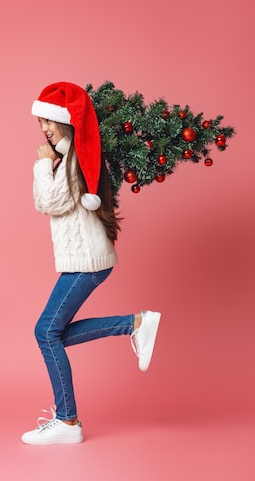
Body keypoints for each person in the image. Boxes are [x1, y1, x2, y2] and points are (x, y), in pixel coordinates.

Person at [21, 82, 161, 445]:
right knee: (52, 333)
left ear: (66, 122)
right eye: (40, 124)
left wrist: (40, 164)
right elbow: (43, 203)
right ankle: (134, 324)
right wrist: (45, 164)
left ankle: (68, 423)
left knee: (45, 332)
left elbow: (50, 202)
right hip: (84, 260)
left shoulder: (75, 161)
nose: (44, 130)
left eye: (48, 122)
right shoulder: (67, 158)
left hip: (86, 261)